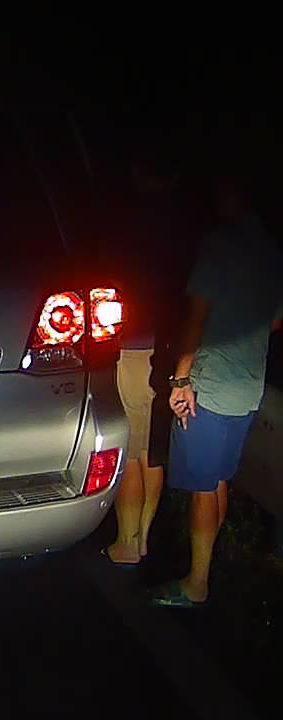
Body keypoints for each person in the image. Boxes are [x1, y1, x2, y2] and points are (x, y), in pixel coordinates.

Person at [151, 167, 283, 607]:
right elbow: (275, 321)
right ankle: (206, 568)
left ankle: (196, 585)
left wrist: (181, 378)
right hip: (248, 383)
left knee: (203, 488)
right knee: (219, 480)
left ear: (233, 195)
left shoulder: (219, 246)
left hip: (210, 383)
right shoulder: (272, 251)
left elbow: (195, 318)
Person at [103, 148, 191, 566]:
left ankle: (127, 541)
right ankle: (143, 539)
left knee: (132, 450)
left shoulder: (128, 225)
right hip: (170, 351)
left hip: (133, 348)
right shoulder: (182, 228)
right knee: (153, 451)